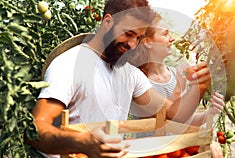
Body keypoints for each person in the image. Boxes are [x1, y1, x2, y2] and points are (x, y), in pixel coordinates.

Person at [26, 0, 211, 157]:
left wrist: (198, 88)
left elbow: (173, 113)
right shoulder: (70, 64)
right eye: (128, 34)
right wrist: (80, 142)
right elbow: (35, 129)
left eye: (138, 38)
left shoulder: (129, 74)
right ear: (107, 21)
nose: (132, 45)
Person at [128, 13, 224, 157]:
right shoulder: (140, 81)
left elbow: (186, 122)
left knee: (214, 148)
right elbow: (163, 124)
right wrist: (180, 89)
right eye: (165, 34)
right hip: (154, 153)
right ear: (148, 42)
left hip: (178, 151)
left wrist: (209, 112)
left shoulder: (175, 74)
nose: (172, 38)